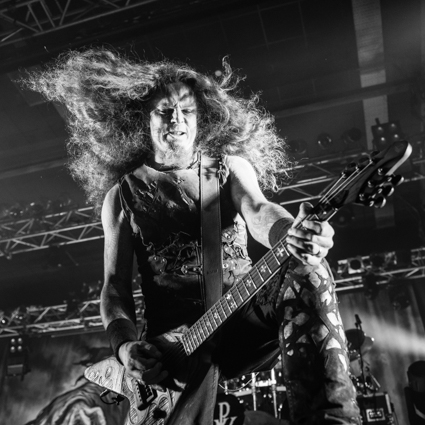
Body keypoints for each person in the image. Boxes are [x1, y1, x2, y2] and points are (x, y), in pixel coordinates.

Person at [27, 48, 361, 424]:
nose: (178, 119)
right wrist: (124, 348)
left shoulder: (228, 169)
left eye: (187, 111)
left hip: (242, 318)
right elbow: (115, 288)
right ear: (142, 119)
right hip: (174, 352)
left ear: (202, 119)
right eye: (164, 111)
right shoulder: (121, 195)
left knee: (309, 268)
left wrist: (290, 232)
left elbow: (259, 210)